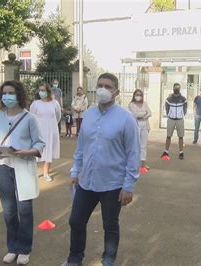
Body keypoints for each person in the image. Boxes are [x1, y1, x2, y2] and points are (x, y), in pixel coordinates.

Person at [63, 73, 140, 266]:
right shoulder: (88, 114)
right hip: (86, 181)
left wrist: (129, 186)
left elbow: (133, 154)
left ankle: (108, 260)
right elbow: (81, 146)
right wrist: (75, 171)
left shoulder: (126, 119)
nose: (102, 90)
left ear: (116, 92)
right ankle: (74, 259)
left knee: (110, 225)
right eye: (100, 85)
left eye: (107, 86)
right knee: (76, 221)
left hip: (112, 184)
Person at [0, 80, 45, 265]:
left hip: (23, 167)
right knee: (9, 212)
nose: (7, 97)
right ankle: (12, 247)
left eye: (11, 93)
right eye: (4, 93)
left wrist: (27, 152)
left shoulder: (29, 118)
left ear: (19, 95)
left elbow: (39, 143)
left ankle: (24, 249)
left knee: (25, 211)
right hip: (2, 168)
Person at [30, 83, 62, 182]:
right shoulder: (35, 104)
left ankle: (46, 173)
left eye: (43, 90)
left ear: (48, 91)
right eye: (40, 90)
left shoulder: (54, 103)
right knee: (36, 151)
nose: (41, 92)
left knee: (48, 151)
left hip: (51, 130)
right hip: (38, 131)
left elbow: (58, 116)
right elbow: (31, 117)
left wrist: (52, 125)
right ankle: (32, 173)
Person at [162, 83, 187, 160]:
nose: (176, 89)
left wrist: (181, 114)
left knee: (181, 137)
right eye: (175, 88)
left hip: (180, 120)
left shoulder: (183, 99)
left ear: (180, 89)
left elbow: (185, 109)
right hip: (171, 120)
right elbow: (167, 108)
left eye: (178, 88)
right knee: (168, 136)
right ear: (173, 88)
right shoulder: (169, 99)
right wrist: (170, 115)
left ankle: (181, 152)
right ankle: (166, 151)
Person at [128, 89, 152, 169]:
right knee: (136, 144)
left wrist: (143, 115)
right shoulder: (131, 104)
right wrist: (144, 113)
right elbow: (135, 115)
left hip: (145, 124)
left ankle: (143, 163)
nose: (138, 96)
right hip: (136, 124)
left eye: (140, 95)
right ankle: (134, 163)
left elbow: (149, 113)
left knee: (143, 144)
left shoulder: (144, 103)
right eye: (137, 95)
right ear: (134, 95)